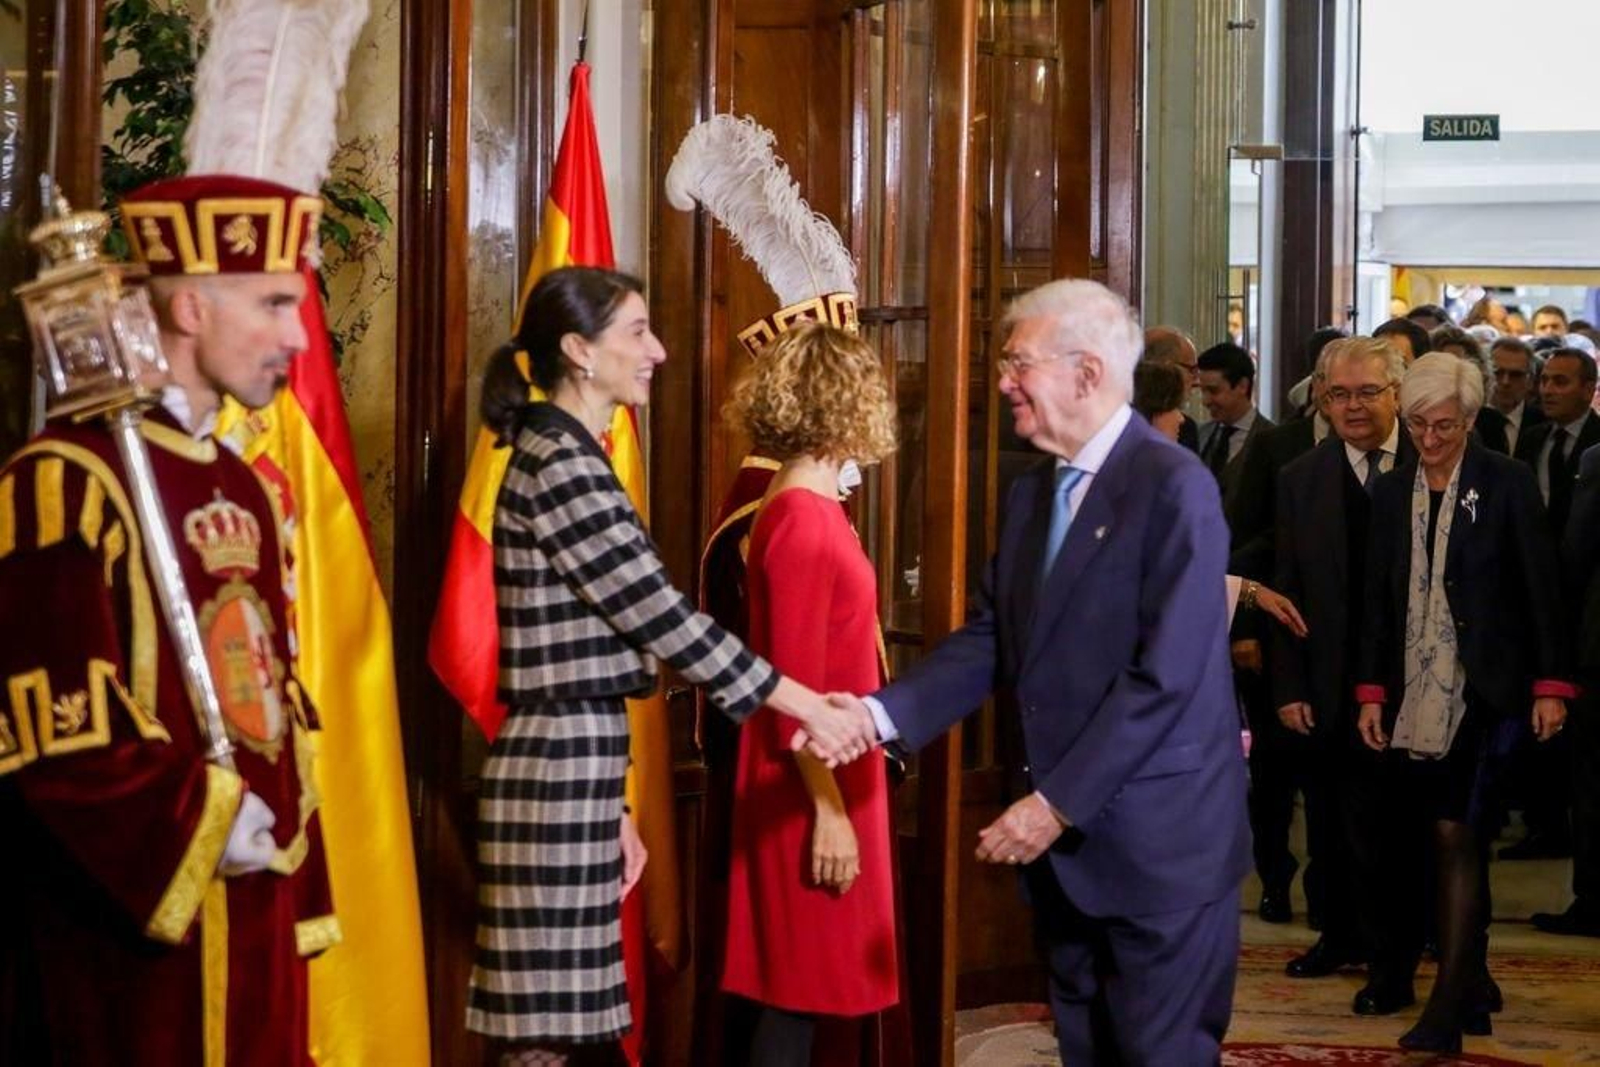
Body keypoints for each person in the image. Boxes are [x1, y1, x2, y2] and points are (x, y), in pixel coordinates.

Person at [829, 279, 1251, 1064]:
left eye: (1017, 362)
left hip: (1160, 849)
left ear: (1087, 373)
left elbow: (1165, 677)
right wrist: (877, 717)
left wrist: (1054, 805)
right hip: (1069, 863)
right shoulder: (1032, 492)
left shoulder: (1173, 485)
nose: (1001, 382)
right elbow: (994, 638)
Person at [464, 267, 871, 1065]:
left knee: (567, 1035)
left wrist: (615, 801)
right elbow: (664, 618)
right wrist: (809, 705)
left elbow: (596, 637)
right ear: (580, 351)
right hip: (554, 772)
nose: (658, 349)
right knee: (546, 1043)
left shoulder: (567, 452)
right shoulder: (562, 463)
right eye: (637, 332)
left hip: (577, 767)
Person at [0, 174, 338, 1064]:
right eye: (272, 304)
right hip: (132, 927)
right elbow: (52, 718)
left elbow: (274, 698)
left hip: (257, 897)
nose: (296, 338)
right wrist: (198, 820)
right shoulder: (65, 479)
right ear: (190, 306)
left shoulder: (246, 486)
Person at [1356, 353, 1572, 1053]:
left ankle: (1447, 1006)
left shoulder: (1505, 483)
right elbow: (1378, 604)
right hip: (1413, 695)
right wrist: (1370, 692)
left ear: (1472, 419)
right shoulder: (1391, 493)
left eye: (1444, 424)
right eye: (1417, 423)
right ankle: (1473, 981)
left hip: (1489, 691)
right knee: (1440, 839)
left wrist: (1550, 686)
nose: (1430, 437)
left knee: (1457, 834)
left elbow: (1543, 588)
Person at [719, 323, 900, 1066]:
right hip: (805, 785)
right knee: (793, 996)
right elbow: (786, 684)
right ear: (846, 399)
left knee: (810, 995)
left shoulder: (812, 507)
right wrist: (828, 812)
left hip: (831, 773)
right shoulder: (798, 517)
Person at [1270, 337, 1415, 1002]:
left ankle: (1420, 940)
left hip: (1416, 681)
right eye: (1339, 395)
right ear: (1321, 402)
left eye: (1367, 392)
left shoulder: (1432, 461)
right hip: (1325, 680)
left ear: (1397, 394)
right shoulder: (1300, 477)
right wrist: (1289, 686)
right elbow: (1285, 587)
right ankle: (1338, 932)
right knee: (1327, 815)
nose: (1353, 406)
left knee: (1410, 823)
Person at [1197, 341, 1274, 510]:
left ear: (1242, 386)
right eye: (1202, 391)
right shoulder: (1200, 434)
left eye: (1214, 391)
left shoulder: (1274, 441)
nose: (1205, 401)